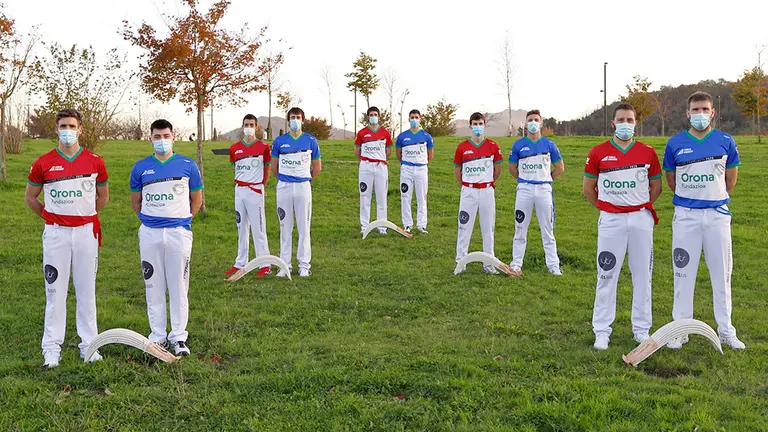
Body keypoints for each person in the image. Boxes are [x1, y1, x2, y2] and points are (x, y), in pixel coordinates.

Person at [25, 108, 110, 368]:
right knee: (55, 292)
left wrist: (80, 217)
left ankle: (89, 346)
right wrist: (53, 218)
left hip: (86, 234)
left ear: (80, 129)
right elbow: (31, 198)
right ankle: (51, 348)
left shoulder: (95, 161)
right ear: (56, 128)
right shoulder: (43, 162)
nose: (68, 131)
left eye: (72, 126)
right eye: (63, 126)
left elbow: (103, 197)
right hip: (56, 235)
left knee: (86, 291)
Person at [663, 91, 745, 350]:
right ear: (687, 114)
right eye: (695, 110)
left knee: (722, 275)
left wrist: (711, 200)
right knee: (683, 273)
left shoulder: (725, 141)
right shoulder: (675, 143)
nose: (700, 114)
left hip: (717, 217)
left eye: (704, 109)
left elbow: (730, 180)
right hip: (685, 218)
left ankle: (726, 330)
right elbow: (671, 181)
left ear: (713, 112)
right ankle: (680, 330)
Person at [583, 102, 662, 350]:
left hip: (640, 219)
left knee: (642, 275)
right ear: (613, 123)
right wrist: (609, 209)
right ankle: (602, 331)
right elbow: (588, 189)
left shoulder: (647, 152)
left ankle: (641, 330)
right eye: (621, 120)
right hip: (611, 221)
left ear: (636, 123)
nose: (625, 124)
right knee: (606, 274)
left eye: (630, 120)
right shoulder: (598, 152)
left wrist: (637, 207)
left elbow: (656, 187)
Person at [129, 119, 203, 356]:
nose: (162, 140)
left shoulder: (187, 165)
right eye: (157, 136)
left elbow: (197, 200)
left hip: (179, 234)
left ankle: (179, 338)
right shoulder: (140, 168)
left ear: (173, 137)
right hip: (149, 234)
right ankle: (158, 336)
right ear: (150, 138)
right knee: (153, 285)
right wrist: (152, 220)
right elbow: (135, 202)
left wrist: (181, 221)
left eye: (166, 136)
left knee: (179, 285)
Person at [508, 109, 564, 276]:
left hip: (544, 190)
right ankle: (516, 264)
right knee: (520, 228)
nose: (533, 122)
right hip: (524, 190)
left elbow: (560, 167)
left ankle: (553, 265)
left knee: (547, 230)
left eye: (536, 120)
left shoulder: (549, 145)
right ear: (526, 124)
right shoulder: (518, 145)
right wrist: (525, 180)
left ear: (541, 123)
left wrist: (546, 179)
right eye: (530, 119)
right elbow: (512, 169)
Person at [271, 107, 322, 277]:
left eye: (298, 117)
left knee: (303, 227)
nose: (295, 120)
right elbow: (274, 167)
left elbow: (317, 167)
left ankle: (304, 265)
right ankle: (284, 265)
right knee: (285, 227)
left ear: (303, 120)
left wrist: (303, 180)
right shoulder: (279, 142)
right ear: (288, 120)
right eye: (292, 117)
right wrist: (286, 179)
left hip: (303, 188)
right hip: (284, 187)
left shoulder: (311, 141)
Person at [453, 112, 503, 274]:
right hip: (468, 191)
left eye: (480, 124)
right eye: (474, 124)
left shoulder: (493, 146)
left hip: (487, 191)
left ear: (484, 125)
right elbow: (457, 170)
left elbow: (497, 170)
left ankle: (489, 264)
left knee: (488, 228)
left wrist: (485, 182)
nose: (477, 127)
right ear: (470, 126)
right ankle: (461, 262)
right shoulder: (462, 147)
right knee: (464, 227)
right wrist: (468, 185)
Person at [224, 114, 272, 278]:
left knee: (259, 229)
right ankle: (240, 263)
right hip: (239, 190)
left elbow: (267, 168)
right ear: (242, 126)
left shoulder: (264, 147)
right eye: (246, 124)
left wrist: (262, 185)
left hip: (255, 191)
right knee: (241, 227)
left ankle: (264, 264)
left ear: (257, 127)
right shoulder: (234, 148)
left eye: (252, 124)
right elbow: (235, 167)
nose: (249, 127)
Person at [396, 109, 434, 233]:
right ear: (409, 119)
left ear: (420, 119)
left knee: (421, 197)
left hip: (421, 169)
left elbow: (430, 154)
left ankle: (421, 225)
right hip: (406, 169)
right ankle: (407, 224)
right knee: (406, 196)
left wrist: (421, 163)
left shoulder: (426, 136)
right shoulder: (402, 136)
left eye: (416, 117)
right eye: (412, 117)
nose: (414, 119)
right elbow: (398, 154)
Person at [355, 106, 392, 234]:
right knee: (365, 196)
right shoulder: (361, 133)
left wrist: (378, 159)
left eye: (375, 114)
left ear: (379, 116)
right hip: (365, 167)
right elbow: (356, 151)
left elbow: (388, 151)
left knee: (382, 197)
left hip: (381, 167)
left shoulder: (385, 133)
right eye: (371, 114)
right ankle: (364, 226)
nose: (373, 116)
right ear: (368, 117)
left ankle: (382, 227)